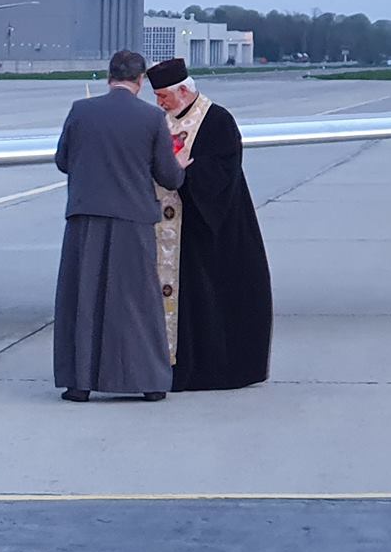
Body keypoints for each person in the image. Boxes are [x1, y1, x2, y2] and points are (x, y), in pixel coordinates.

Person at [52, 49, 185, 402]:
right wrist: (181, 167)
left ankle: (79, 383)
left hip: (85, 217)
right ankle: (149, 382)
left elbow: (63, 161)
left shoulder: (80, 111)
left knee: (84, 300)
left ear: (109, 76)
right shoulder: (151, 117)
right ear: (140, 80)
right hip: (133, 220)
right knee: (137, 303)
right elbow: (169, 176)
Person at [146, 59, 273, 391]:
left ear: (183, 91)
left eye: (163, 96)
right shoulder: (161, 121)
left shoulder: (217, 121)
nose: (160, 103)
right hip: (166, 230)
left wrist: (182, 172)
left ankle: (206, 371)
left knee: (206, 302)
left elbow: (222, 171)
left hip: (207, 227)